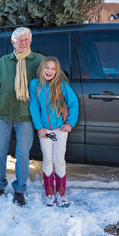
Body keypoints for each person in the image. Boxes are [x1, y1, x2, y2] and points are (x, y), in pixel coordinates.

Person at [0, 27, 45, 206]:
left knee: (22, 154)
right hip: (3, 114)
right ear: (13, 42)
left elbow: (51, 80)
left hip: (26, 116)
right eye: (20, 40)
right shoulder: (4, 61)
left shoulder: (39, 61)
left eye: (27, 39)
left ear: (31, 41)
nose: (23, 43)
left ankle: (19, 190)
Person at [29, 56, 79, 207]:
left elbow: (73, 102)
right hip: (45, 131)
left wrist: (70, 123)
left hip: (59, 130)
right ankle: (49, 193)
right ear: (41, 68)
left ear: (57, 72)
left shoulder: (61, 85)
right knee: (48, 159)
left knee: (59, 159)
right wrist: (39, 128)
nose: (49, 71)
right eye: (47, 68)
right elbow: (34, 106)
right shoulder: (34, 84)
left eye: (53, 69)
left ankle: (61, 193)